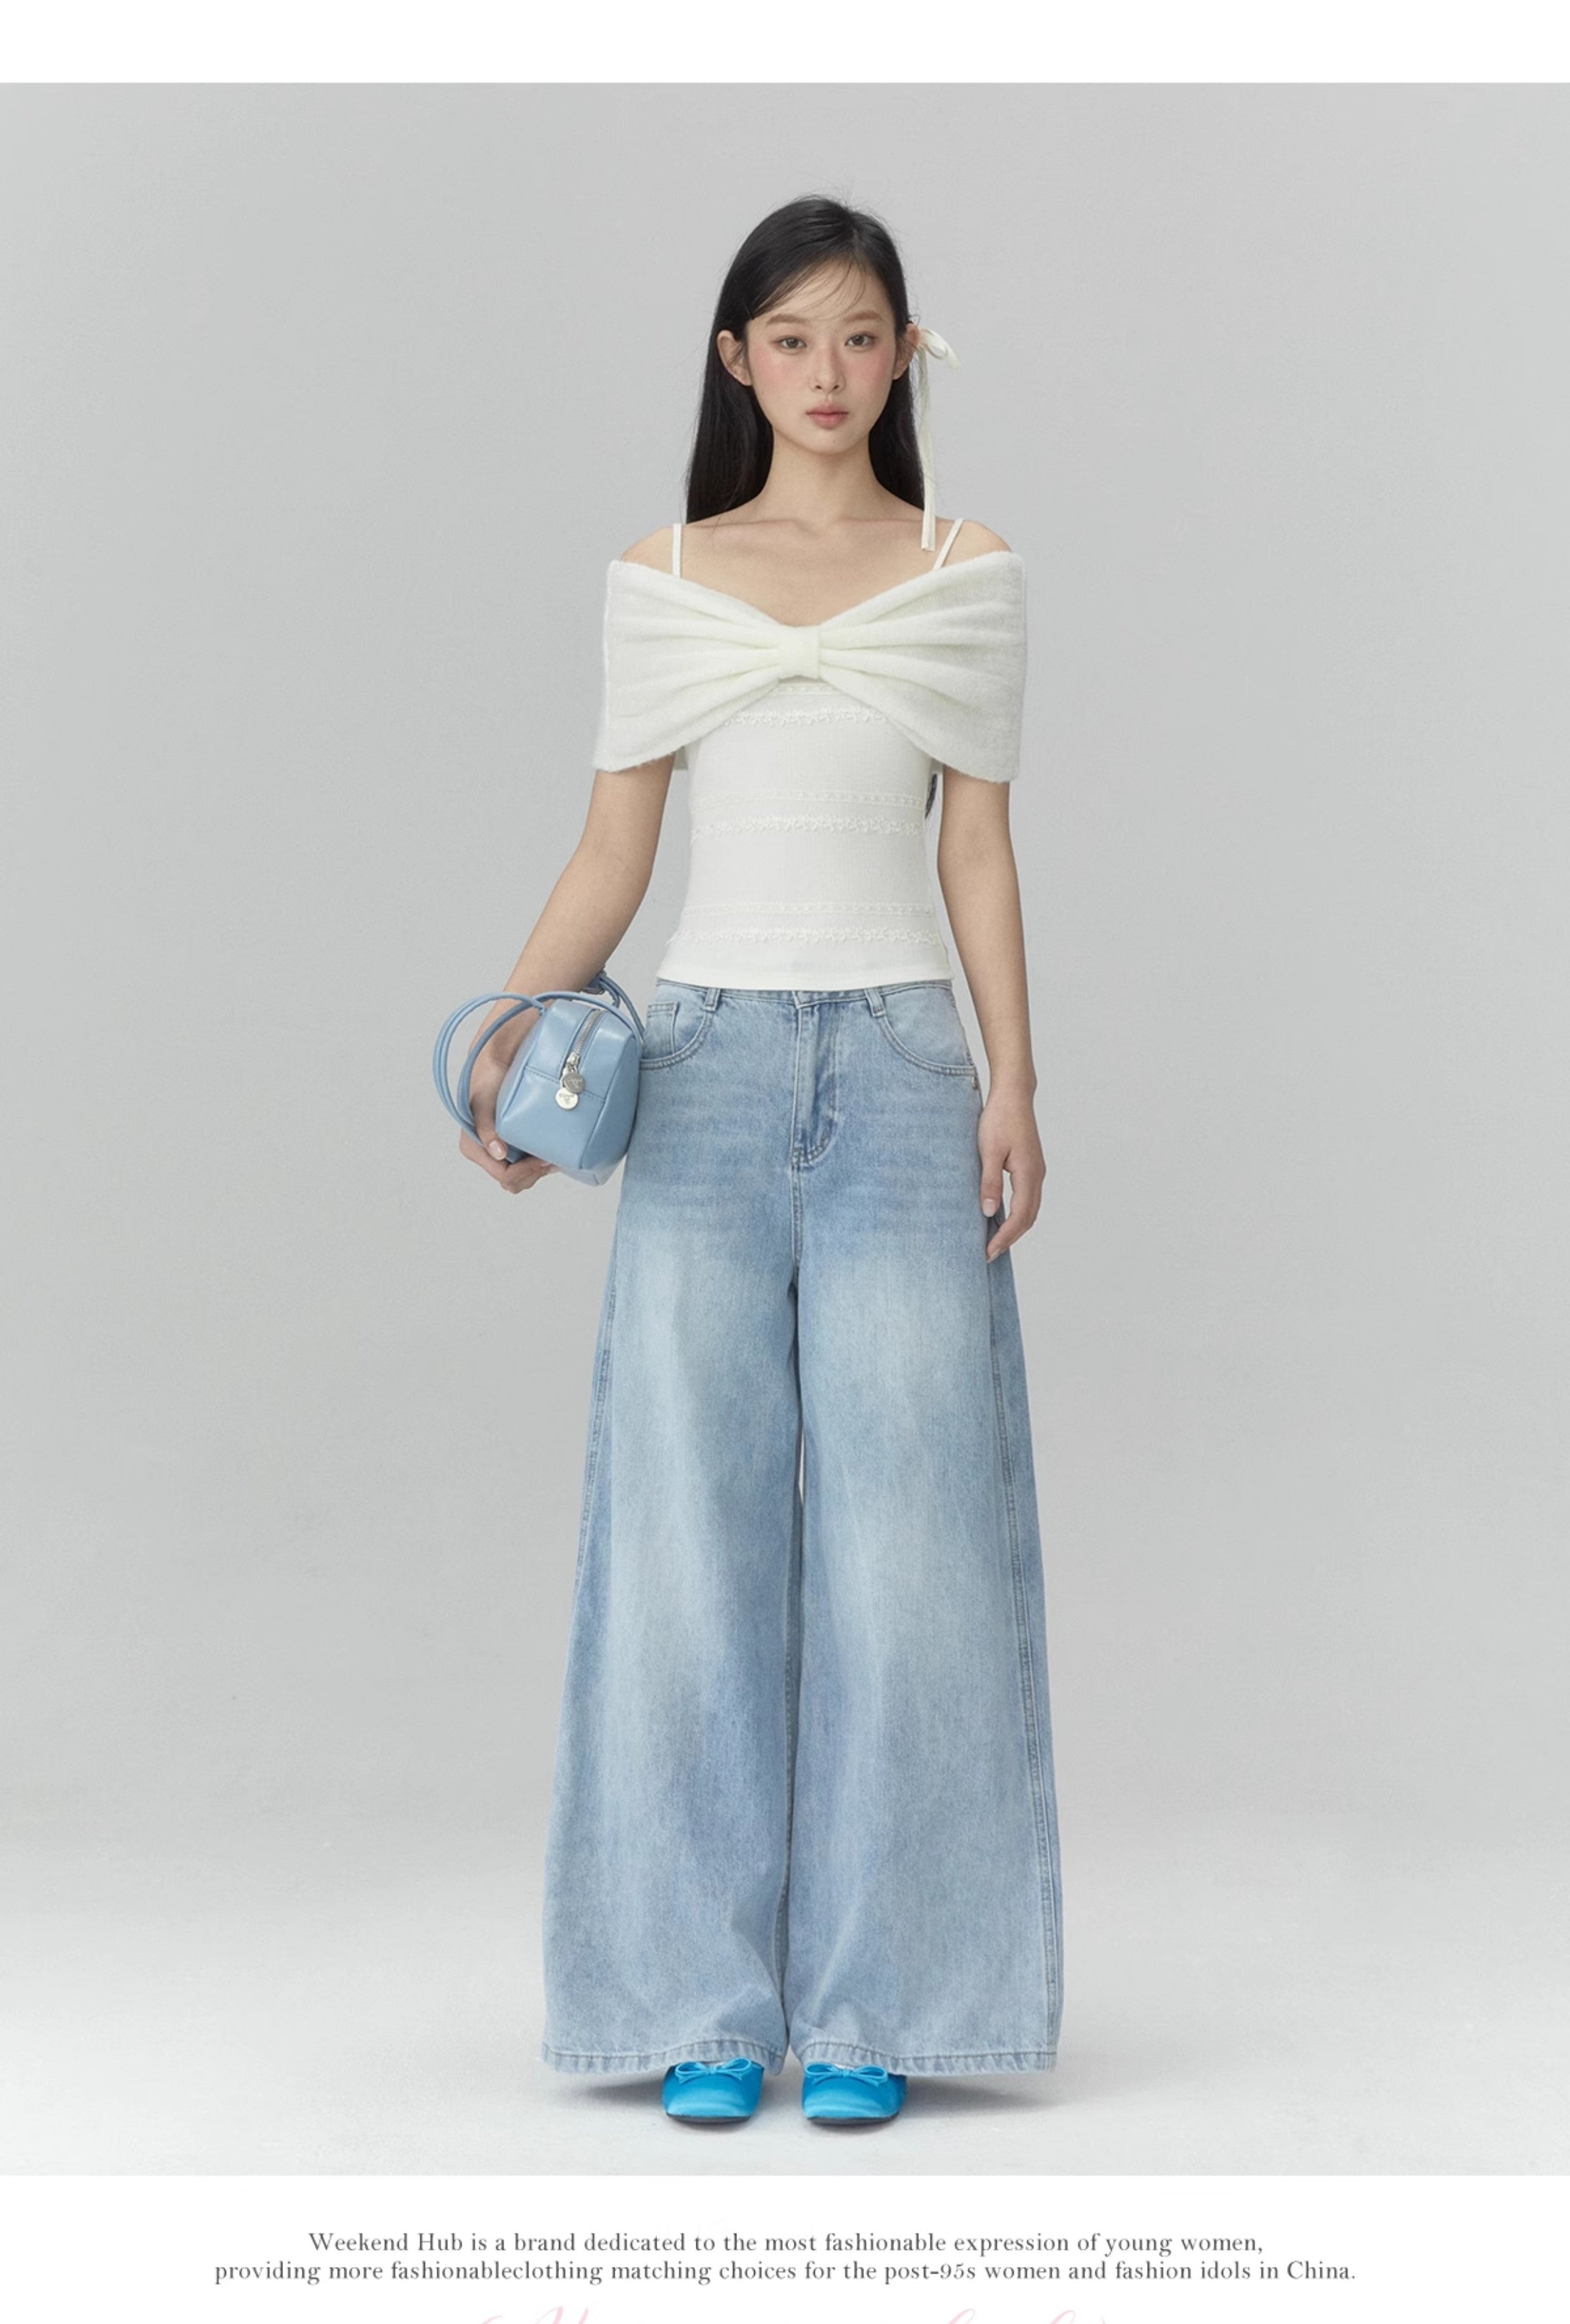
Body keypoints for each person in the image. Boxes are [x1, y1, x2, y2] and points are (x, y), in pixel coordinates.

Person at [456, 195, 1064, 2128]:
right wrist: (511, 1040)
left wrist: (1014, 1084)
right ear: (736, 360)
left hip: (902, 1074)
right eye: (790, 339)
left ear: (905, 355)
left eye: (861, 336)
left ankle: (880, 2003)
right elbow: (614, 851)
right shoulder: (665, 578)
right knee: (682, 1538)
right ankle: (698, 1998)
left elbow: (977, 848)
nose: (827, 373)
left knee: (915, 1549)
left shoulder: (966, 572)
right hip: (707, 1074)